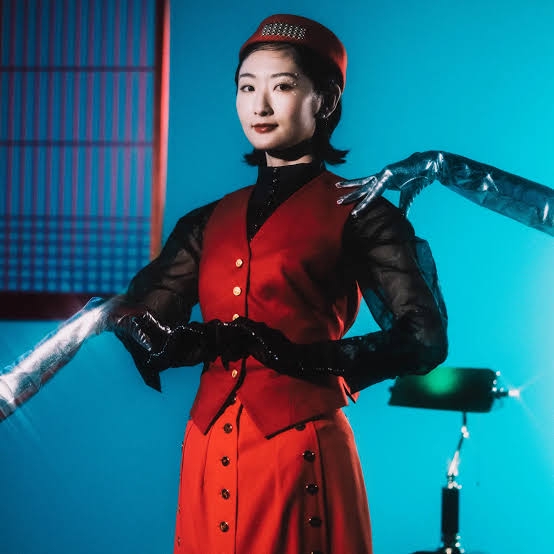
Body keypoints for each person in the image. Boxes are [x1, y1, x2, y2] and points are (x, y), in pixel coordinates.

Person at [110, 14, 448, 554]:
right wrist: (155, 335)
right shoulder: (205, 221)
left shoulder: (362, 212)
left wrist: (302, 359)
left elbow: (423, 338)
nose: (260, 106)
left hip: (299, 449)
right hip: (207, 444)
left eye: (283, 86)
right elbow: (139, 309)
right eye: (247, 88)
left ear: (326, 100)